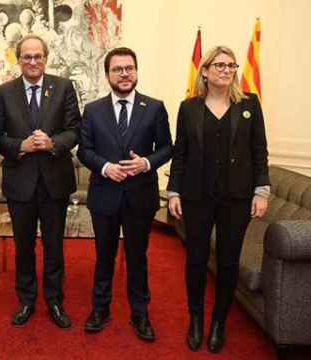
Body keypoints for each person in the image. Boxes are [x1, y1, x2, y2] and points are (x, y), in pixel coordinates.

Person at [167, 46, 269, 353]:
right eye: (219, 65)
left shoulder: (250, 104)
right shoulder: (189, 108)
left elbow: (259, 151)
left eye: (231, 65)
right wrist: (173, 191)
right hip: (197, 197)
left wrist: (261, 190)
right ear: (206, 70)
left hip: (236, 199)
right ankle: (196, 319)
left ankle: (218, 323)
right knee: (196, 261)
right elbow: (180, 153)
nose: (226, 70)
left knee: (228, 263)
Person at [78, 47, 172, 342]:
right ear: (107, 75)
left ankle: (139, 313)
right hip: (104, 195)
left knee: (137, 257)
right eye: (117, 69)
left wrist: (146, 163)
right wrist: (106, 167)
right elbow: (84, 150)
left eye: (129, 68)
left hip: (140, 196)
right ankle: (100, 309)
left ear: (136, 71)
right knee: (103, 256)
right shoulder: (92, 110)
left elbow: (167, 147)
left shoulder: (154, 107)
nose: (124, 73)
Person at [0, 35, 80, 329]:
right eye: (27, 57)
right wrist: (23, 146)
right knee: (24, 245)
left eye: (38, 56)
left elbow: (75, 130)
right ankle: (27, 299)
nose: (33, 62)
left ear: (46, 58)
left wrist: (51, 143)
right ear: (18, 60)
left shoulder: (64, 87)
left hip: (55, 181)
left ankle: (55, 300)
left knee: (54, 246)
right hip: (20, 182)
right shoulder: (3, 92)